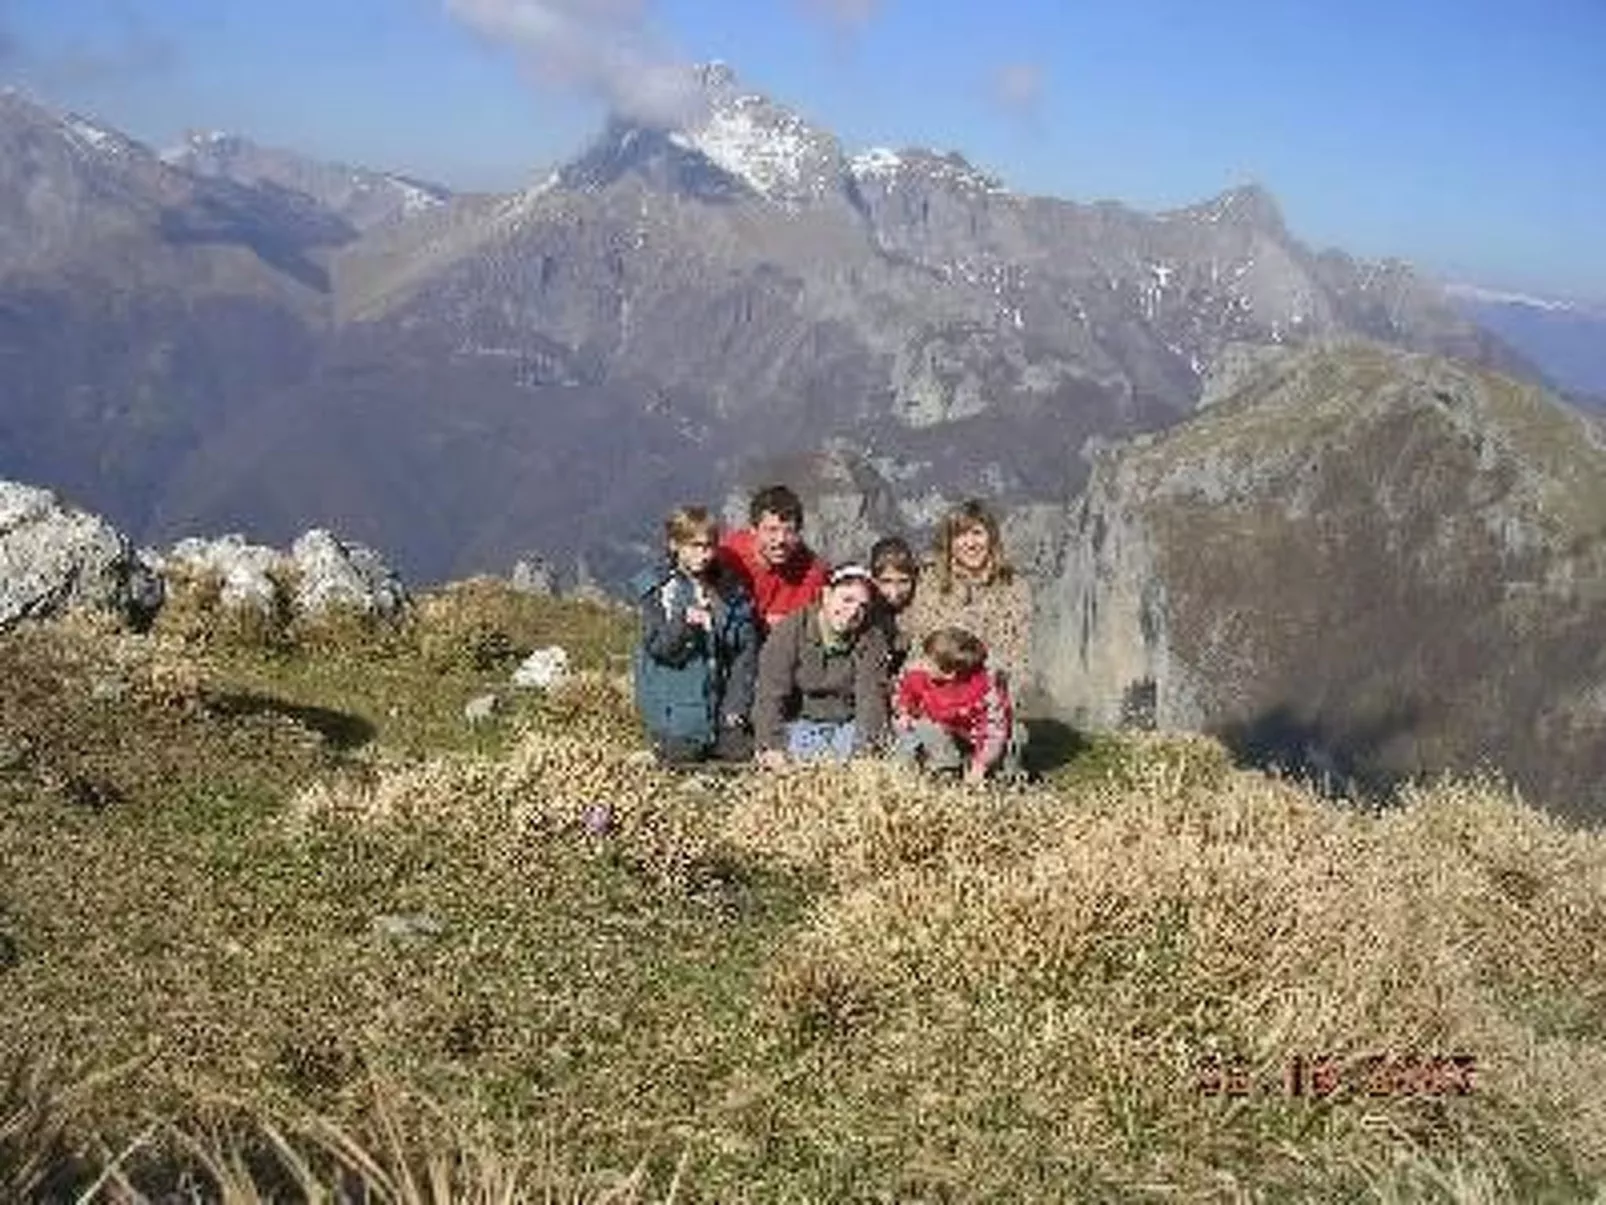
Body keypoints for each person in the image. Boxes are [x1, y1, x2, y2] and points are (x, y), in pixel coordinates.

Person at [903, 499, 1034, 770]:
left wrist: (998, 701)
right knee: (929, 748)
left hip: (988, 699)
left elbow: (1017, 654)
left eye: (977, 533)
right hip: (938, 697)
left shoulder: (1013, 587)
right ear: (949, 542)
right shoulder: (931, 584)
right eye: (961, 535)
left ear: (991, 538)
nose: (970, 543)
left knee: (1011, 750)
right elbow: (921, 648)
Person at [630, 506, 758, 767]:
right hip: (674, 711)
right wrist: (684, 624)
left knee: (742, 756)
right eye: (695, 546)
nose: (705, 554)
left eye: (710, 546)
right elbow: (659, 648)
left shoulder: (730, 589)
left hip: (720, 709)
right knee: (683, 758)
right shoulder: (658, 590)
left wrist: (736, 707)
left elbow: (745, 652)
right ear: (675, 544)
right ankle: (662, 748)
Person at [752, 564, 891, 767]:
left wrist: (865, 750)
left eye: (862, 606)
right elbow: (770, 692)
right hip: (801, 723)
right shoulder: (791, 630)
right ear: (826, 595)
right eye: (847, 600)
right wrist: (770, 744)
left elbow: (871, 698)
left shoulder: (871, 639)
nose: (852, 612)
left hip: (847, 724)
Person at [892, 627, 1017, 784]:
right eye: (924, 657)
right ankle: (943, 770)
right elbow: (903, 694)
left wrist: (981, 764)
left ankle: (1000, 778)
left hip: (974, 735)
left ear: (950, 673)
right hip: (940, 730)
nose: (921, 663)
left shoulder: (984, 687)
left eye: (929, 662)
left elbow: (994, 729)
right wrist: (904, 713)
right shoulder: (916, 673)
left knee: (1013, 741)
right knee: (925, 730)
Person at [717, 484, 830, 634]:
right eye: (772, 530)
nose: (781, 540)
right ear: (753, 530)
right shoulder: (727, 556)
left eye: (789, 531)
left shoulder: (811, 572)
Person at [867, 535, 919, 676]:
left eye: (903, 581)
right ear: (874, 580)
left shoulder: (923, 606)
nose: (895, 591)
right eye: (886, 581)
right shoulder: (864, 609)